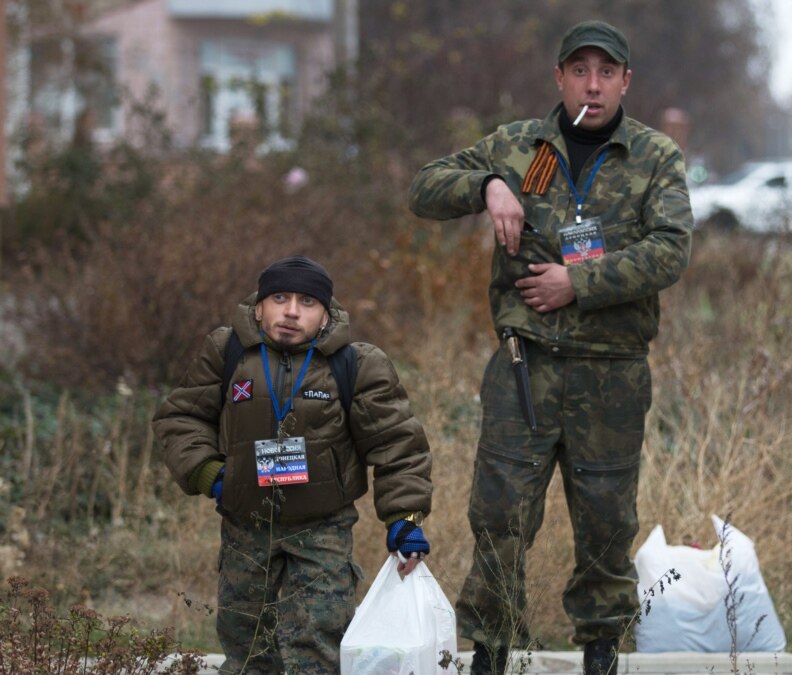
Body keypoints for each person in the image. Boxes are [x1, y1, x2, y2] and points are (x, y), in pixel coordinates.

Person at [408, 19, 692, 675]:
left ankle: (599, 648)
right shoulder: (519, 146)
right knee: (500, 516)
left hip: (611, 374)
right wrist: (488, 185)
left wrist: (578, 282)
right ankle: (493, 646)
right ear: (559, 77)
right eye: (579, 71)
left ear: (625, 81)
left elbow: (670, 251)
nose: (592, 85)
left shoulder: (654, 156)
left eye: (606, 73)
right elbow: (424, 186)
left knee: (605, 521)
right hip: (523, 367)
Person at [154, 255, 433, 674]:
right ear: (259, 307)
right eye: (279, 298)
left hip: (323, 530)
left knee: (317, 644)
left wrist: (404, 518)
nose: (290, 311)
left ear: (325, 314)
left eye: (306, 302)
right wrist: (209, 474)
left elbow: (397, 444)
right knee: (247, 646)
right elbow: (181, 419)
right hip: (245, 526)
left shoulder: (357, 364)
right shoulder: (227, 350)